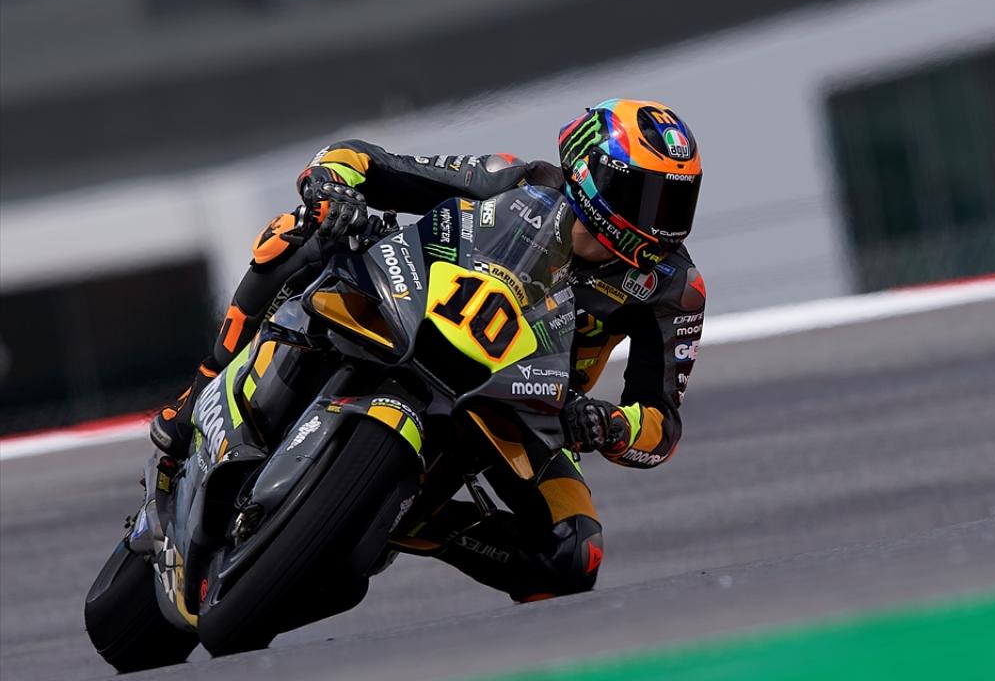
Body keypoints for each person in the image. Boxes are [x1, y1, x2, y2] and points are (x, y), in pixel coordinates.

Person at [150, 99, 706, 601]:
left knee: (576, 554)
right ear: (588, 172)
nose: (659, 223)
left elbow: (662, 426)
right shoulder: (512, 179)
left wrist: (611, 425)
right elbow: (367, 161)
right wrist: (330, 186)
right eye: (645, 197)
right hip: (411, 310)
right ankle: (197, 392)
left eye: (675, 203)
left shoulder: (673, 289)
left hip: (525, 409)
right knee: (299, 230)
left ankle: (421, 525)